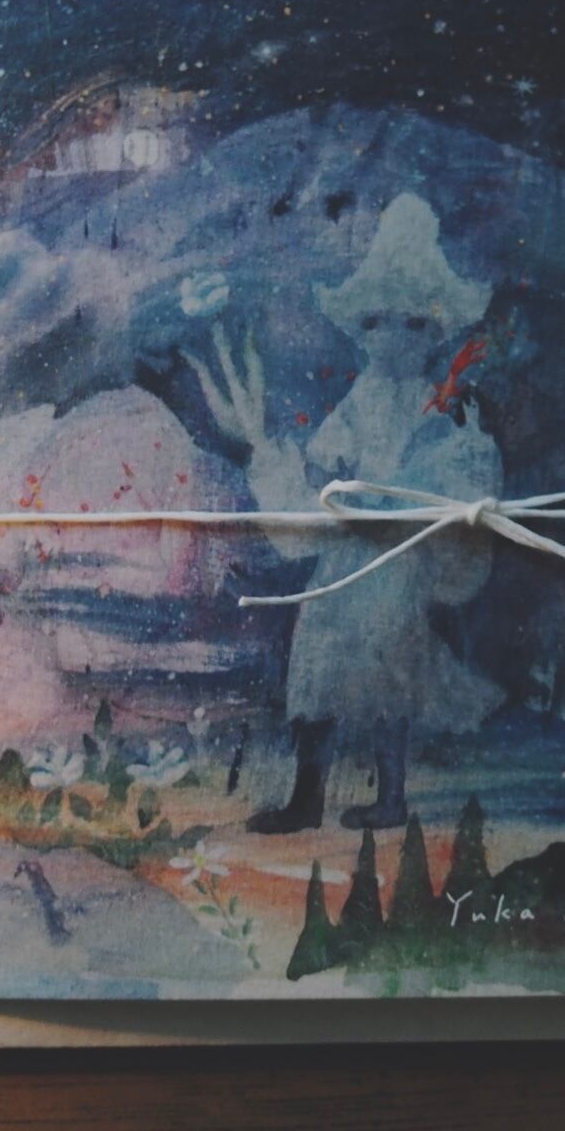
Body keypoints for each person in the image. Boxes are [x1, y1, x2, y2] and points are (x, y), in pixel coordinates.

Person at [184, 193, 502, 832]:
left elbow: (447, 474)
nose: (394, 338)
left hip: (397, 559)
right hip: (344, 556)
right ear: (362, 329)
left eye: (415, 324)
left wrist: (395, 501)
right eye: (378, 322)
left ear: (436, 330)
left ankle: (391, 796)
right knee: (317, 664)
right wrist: (324, 483)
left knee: (388, 668)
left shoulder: (434, 404)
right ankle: (307, 795)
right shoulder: (362, 395)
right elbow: (327, 458)